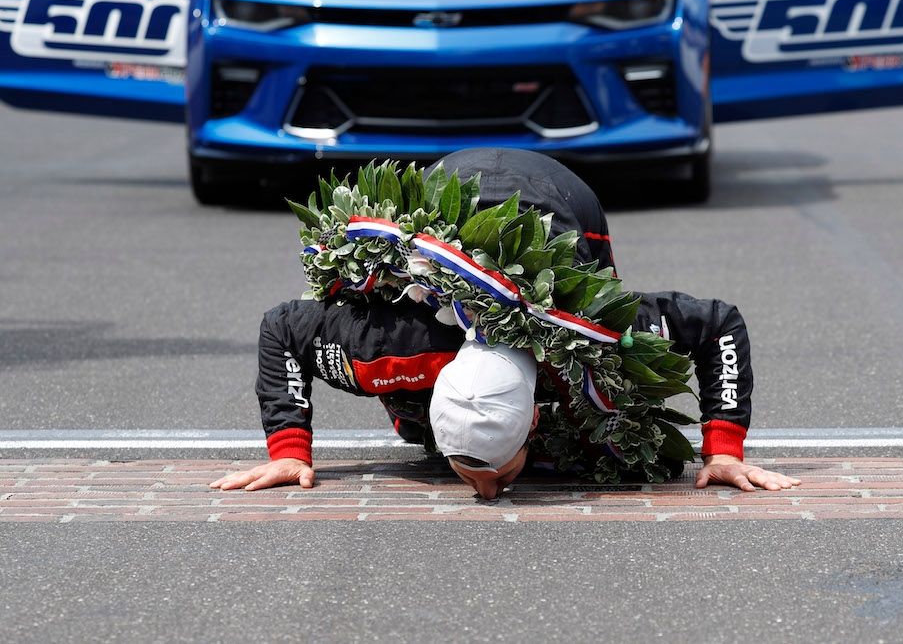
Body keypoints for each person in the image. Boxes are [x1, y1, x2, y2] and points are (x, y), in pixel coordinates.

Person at [210, 148, 800, 496]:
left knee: (600, 338)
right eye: (475, 470)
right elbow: (282, 329)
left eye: (493, 471)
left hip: (559, 198)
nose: (488, 493)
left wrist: (724, 450)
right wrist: (289, 450)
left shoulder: (596, 335)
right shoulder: (385, 348)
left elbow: (719, 325)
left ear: (532, 418)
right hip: (446, 198)